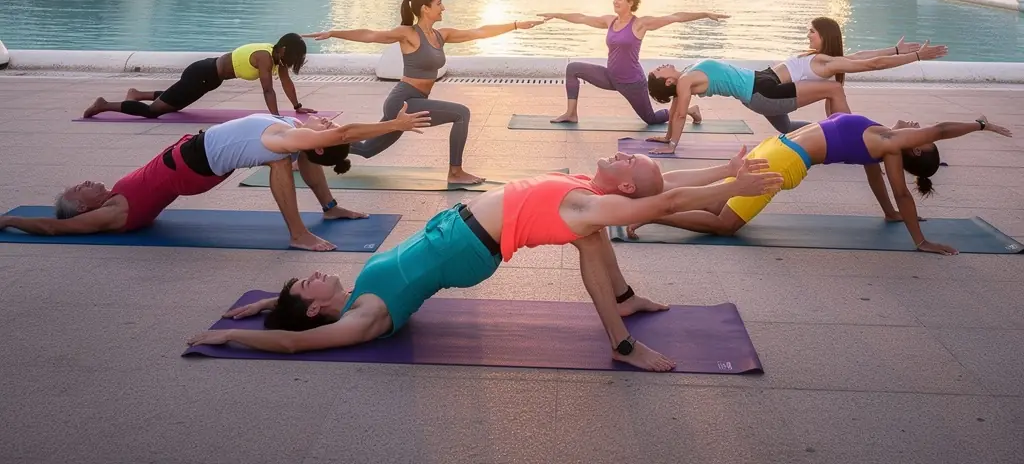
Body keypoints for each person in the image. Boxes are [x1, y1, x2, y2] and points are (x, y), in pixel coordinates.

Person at [186, 150, 784, 370]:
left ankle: (621, 320)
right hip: (473, 244)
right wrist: (231, 335)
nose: (620, 155)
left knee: (593, 237)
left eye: (626, 164)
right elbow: (294, 343)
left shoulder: (591, 195)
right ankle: (621, 333)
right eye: (306, 284)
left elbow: (668, 190)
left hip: (474, 235)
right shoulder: (362, 316)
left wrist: (728, 175)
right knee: (591, 234)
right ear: (317, 307)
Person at [0, 107, 430, 251]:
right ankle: (300, 232)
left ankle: (326, 212)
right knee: (282, 160)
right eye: (80, 188)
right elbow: (56, 226)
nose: (86, 181)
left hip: (196, 159)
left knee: (285, 158)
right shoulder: (114, 213)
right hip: (194, 167)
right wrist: (8, 222)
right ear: (86, 207)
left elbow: (333, 136)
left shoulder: (290, 135)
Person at [627, 113, 1011, 255]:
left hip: (779, 151)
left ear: (915, 149)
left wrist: (980, 125)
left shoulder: (888, 145)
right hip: (783, 156)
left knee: (718, 208)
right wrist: (898, 219)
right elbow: (884, 183)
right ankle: (651, 211)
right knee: (724, 219)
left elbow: (897, 184)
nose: (917, 125)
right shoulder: (882, 142)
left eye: (920, 137)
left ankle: (647, 200)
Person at [305, 0, 545, 185]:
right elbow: (370, 35)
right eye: (439, 3)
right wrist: (333, 33)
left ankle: (311, 143)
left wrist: (515, 24)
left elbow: (479, 32)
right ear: (425, 8)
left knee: (367, 150)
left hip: (413, 100)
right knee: (461, 113)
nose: (444, 7)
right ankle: (455, 172)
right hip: (403, 102)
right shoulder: (409, 33)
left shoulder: (442, 35)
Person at [645, 40, 947, 154]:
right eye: (658, 72)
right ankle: (852, 140)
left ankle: (848, 137)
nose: (659, 67)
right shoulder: (684, 81)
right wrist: (671, 142)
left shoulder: (684, 77)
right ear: (669, 81)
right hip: (763, 91)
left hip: (761, 88)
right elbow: (679, 112)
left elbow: (862, 58)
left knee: (789, 130)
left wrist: (896, 51)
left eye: (813, 32)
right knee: (834, 88)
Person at [541, 0, 728, 126]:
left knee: (651, 119)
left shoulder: (640, 24)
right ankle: (571, 113)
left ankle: (689, 111)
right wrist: (557, 15)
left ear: (630, 3)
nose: (615, 1)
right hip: (610, 77)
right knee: (572, 68)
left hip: (632, 82)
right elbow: (582, 18)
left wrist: (704, 14)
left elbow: (675, 17)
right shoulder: (609, 21)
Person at [754, 18, 944, 133]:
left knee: (841, 123)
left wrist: (916, 56)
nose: (808, 35)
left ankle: (888, 133)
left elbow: (874, 64)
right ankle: (837, 133)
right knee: (786, 128)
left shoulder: (823, 61)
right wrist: (895, 49)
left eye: (812, 31)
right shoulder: (824, 59)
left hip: (771, 90)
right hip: (771, 89)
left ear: (825, 36)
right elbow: (858, 56)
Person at [82, 35, 310, 120]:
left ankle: (138, 94)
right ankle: (104, 105)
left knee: (174, 105)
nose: (289, 63)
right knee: (153, 112)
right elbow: (267, 90)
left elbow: (287, 83)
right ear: (282, 49)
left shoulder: (276, 59)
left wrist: (298, 106)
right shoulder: (264, 57)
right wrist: (276, 118)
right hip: (201, 74)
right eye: (291, 57)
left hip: (208, 78)